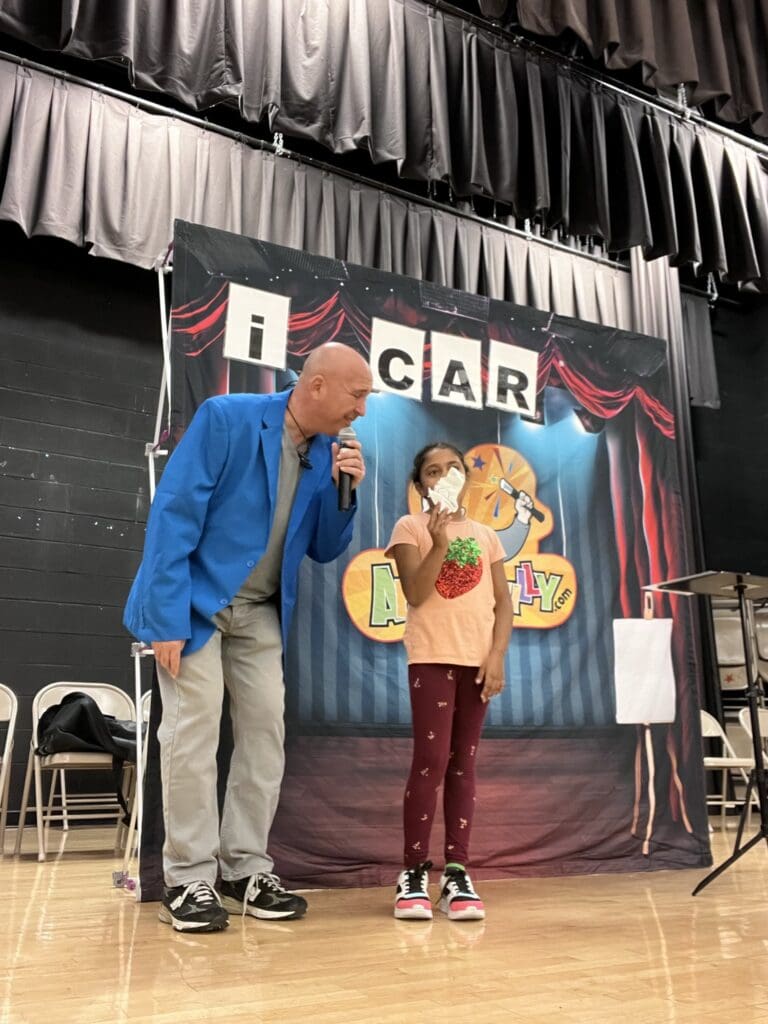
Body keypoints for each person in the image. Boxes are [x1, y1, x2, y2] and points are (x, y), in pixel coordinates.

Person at [124, 342, 372, 932]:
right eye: (356, 395)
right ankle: (188, 879)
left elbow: (323, 547)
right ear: (316, 386)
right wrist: (165, 619)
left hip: (259, 612)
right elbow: (174, 513)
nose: (361, 410)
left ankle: (243, 868)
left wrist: (346, 490)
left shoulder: (326, 454)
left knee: (265, 732)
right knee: (193, 731)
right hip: (195, 604)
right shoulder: (226, 418)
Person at [385, 442, 514, 922]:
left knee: (465, 766)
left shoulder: (486, 535)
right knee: (431, 762)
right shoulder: (410, 527)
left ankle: (457, 870)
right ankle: (414, 870)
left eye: (452, 468)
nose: (444, 476)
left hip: (477, 664)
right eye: (432, 472)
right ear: (421, 485)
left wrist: (496, 656)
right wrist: (438, 543)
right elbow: (417, 593)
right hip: (432, 660)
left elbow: (503, 605)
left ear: (465, 476)